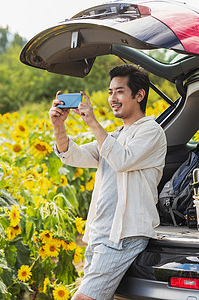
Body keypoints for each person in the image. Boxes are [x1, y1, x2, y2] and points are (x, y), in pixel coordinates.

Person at [48, 64, 167, 300]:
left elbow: (123, 160)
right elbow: (73, 155)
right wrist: (58, 126)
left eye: (120, 91)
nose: (113, 98)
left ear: (139, 94)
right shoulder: (114, 135)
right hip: (100, 232)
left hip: (123, 236)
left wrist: (93, 123)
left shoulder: (151, 131)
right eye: (110, 92)